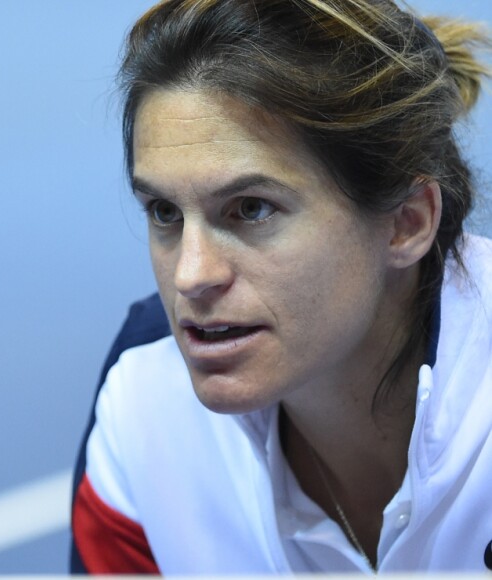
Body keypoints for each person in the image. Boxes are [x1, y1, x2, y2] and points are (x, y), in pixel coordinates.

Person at [70, 0, 492, 574]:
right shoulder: (143, 400)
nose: (190, 276)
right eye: (165, 211)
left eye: (251, 208)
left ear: (407, 222)